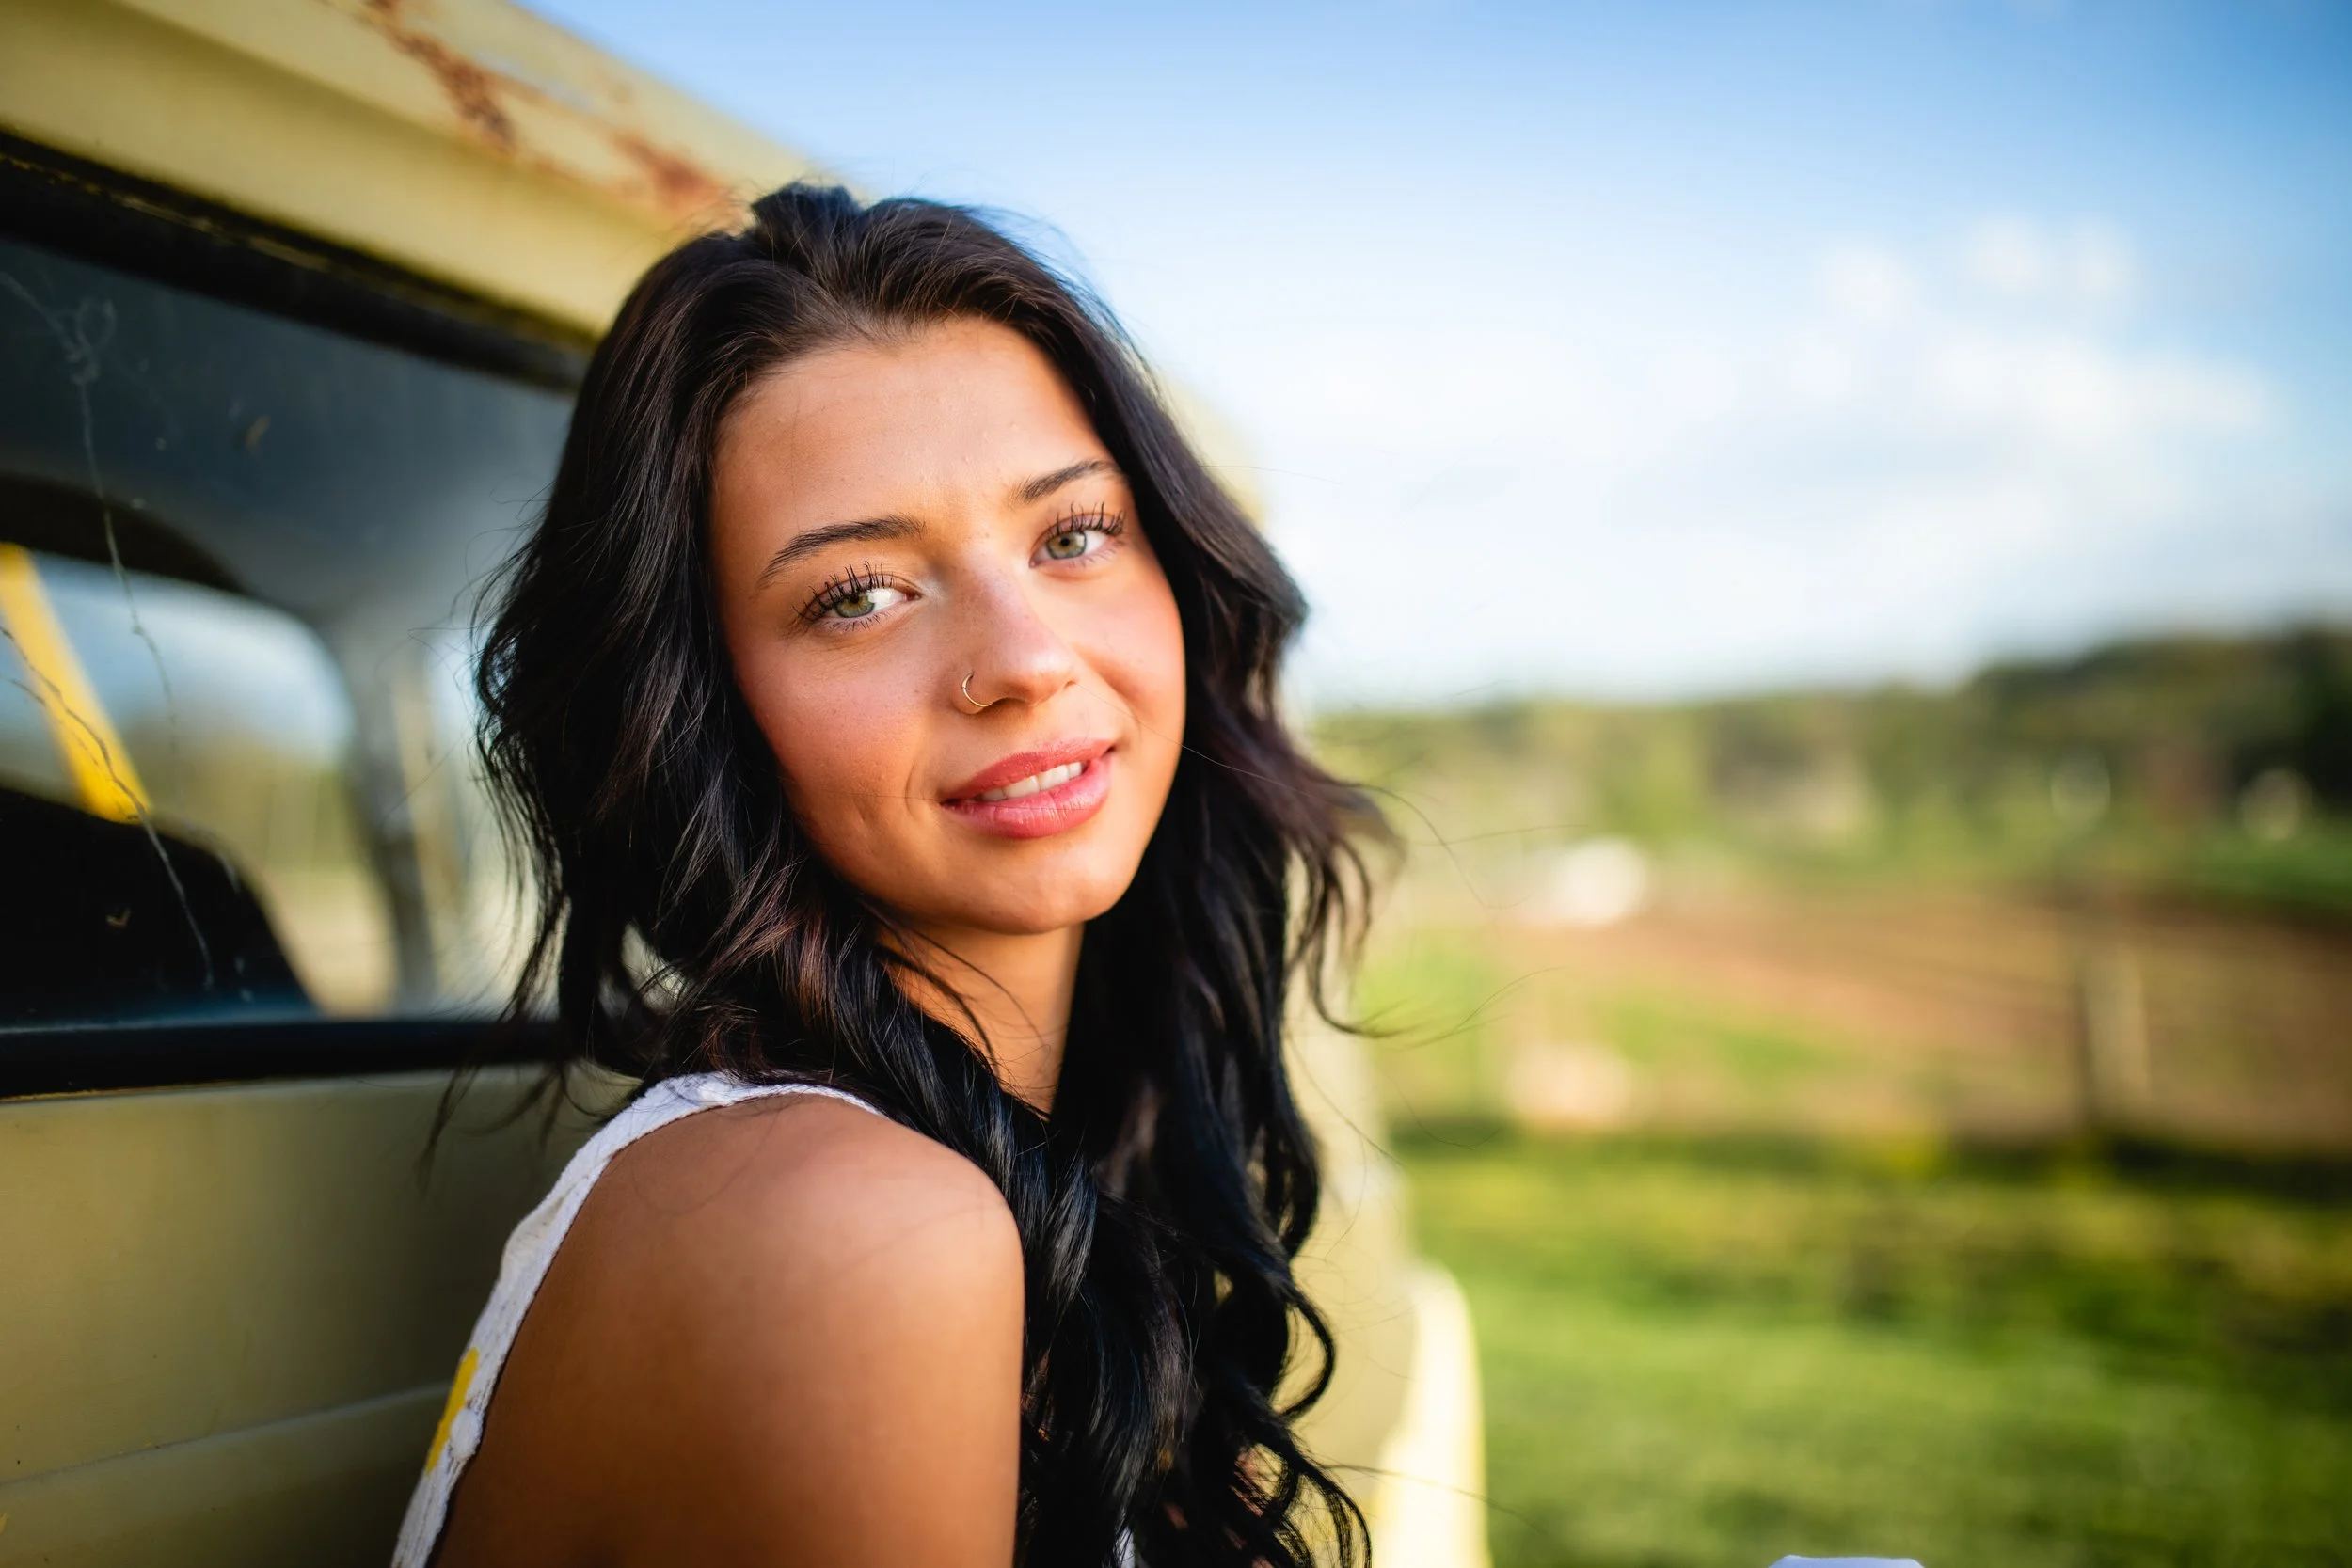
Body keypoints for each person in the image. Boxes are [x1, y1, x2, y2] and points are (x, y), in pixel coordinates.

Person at [393, 184, 1381, 1568]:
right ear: (703, 707)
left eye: (1073, 534)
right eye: (858, 593)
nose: (1026, 656)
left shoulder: (1042, 1155)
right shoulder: (849, 1222)